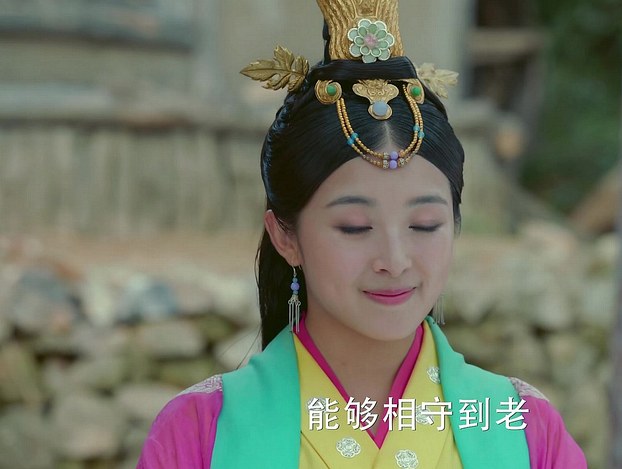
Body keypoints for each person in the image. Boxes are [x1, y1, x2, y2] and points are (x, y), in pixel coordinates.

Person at [137, 0, 586, 467]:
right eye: (354, 227)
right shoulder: (199, 431)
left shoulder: (524, 430)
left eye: (424, 225)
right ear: (285, 236)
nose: (395, 260)